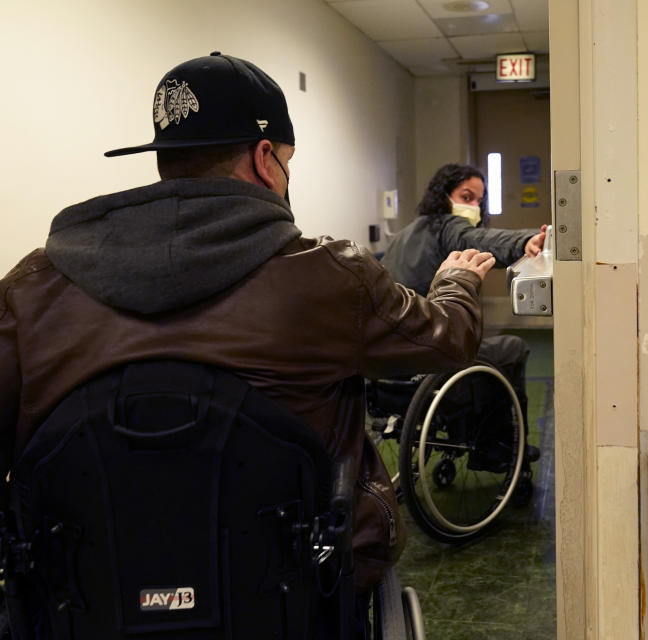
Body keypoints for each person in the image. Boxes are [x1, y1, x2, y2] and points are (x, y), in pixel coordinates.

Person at [0, 52, 495, 634]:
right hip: (296, 602)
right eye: (287, 161)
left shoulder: (31, 290)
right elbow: (446, 340)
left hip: (85, 608)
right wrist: (458, 278)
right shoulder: (330, 275)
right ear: (266, 160)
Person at [380, 163, 546, 464]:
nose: (474, 207)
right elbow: (481, 242)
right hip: (430, 357)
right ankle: (498, 446)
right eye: (466, 197)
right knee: (510, 348)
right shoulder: (447, 228)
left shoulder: (402, 236)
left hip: (391, 364)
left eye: (479, 201)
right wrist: (526, 241)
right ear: (443, 196)